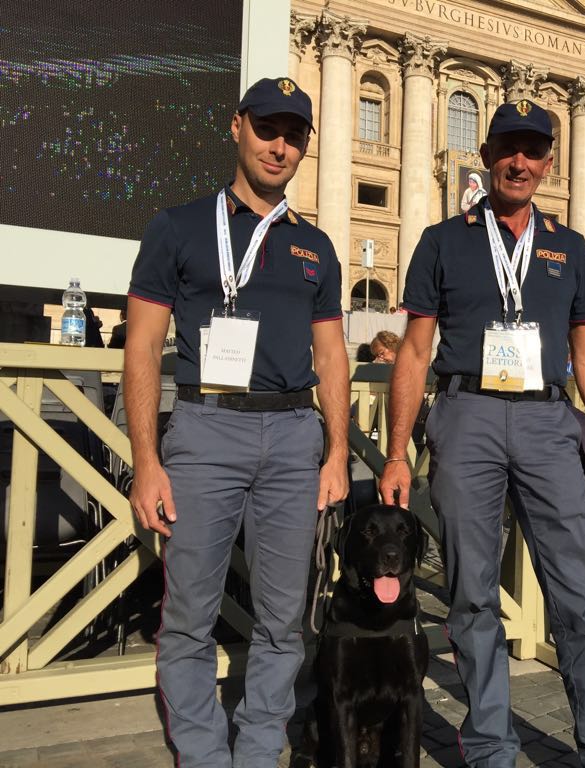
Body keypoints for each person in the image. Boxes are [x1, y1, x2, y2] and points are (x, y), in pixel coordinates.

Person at [378, 99, 585, 767]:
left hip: (550, 422)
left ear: (549, 163)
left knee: (579, 593)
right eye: (508, 148)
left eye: (534, 150)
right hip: (467, 417)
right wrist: (399, 453)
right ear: (487, 155)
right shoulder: (443, 239)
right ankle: (490, 745)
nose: (520, 162)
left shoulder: (569, 248)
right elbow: (413, 351)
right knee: (471, 591)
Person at [123, 77, 350, 767]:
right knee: (189, 616)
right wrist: (146, 461)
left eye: (294, 134)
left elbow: (333, 355)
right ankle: (202, 755)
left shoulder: (315, 245)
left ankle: (255, 753)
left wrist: (337, 452)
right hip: (204, 430)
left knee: (284, 620)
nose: (279, 146)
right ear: (236, 127)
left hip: (291, 437)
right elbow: (140, 349)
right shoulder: (178, 226)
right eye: (267, 129)